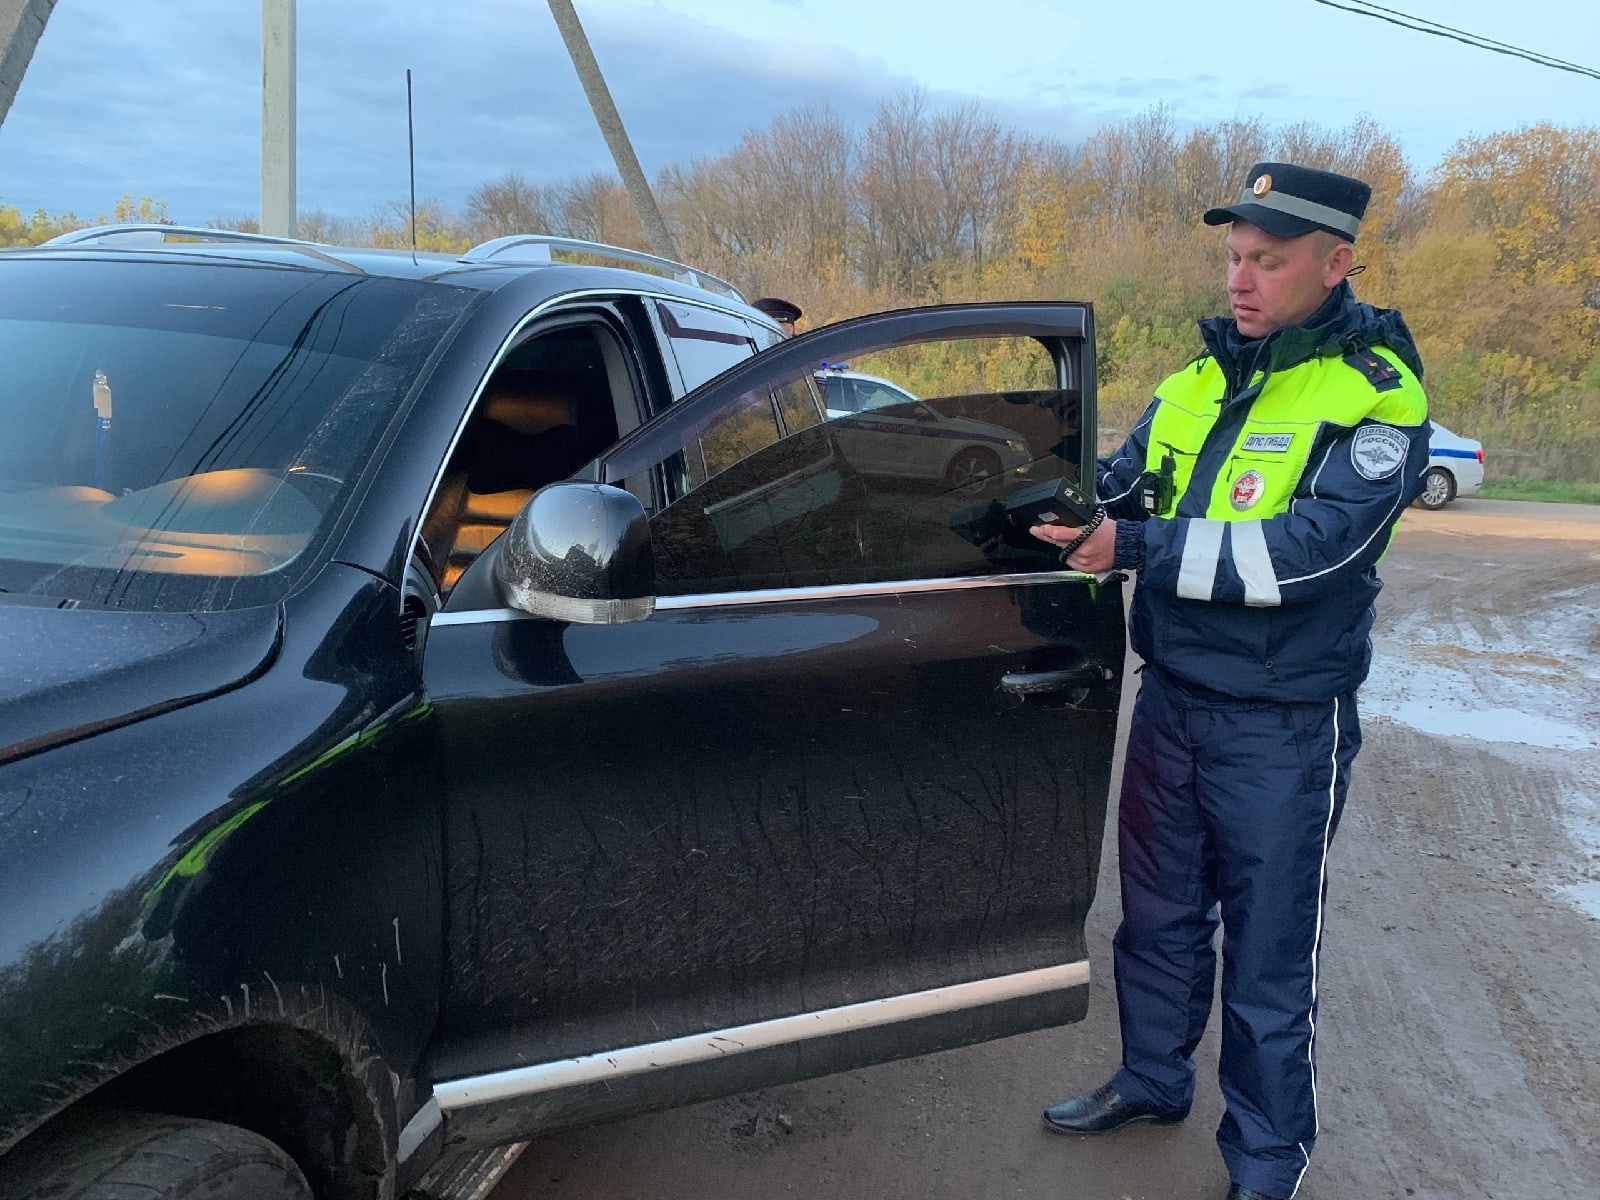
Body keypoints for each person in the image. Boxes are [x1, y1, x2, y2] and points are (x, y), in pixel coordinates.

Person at [1030, 163, 1431, 1200]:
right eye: (1233, 256)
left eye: (1268, 259)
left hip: (1283, 727)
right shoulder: (1192, 384)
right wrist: (1040, 501)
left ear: (1333, 263)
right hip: (1172, 707)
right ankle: (1152, 1080)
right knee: (1153, 921)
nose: (1241, 280)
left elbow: (1308, 553)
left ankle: (1263, 1163)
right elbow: (1114, 486)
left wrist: (1135, 546)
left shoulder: (1375, 394)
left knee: (1267, 961)